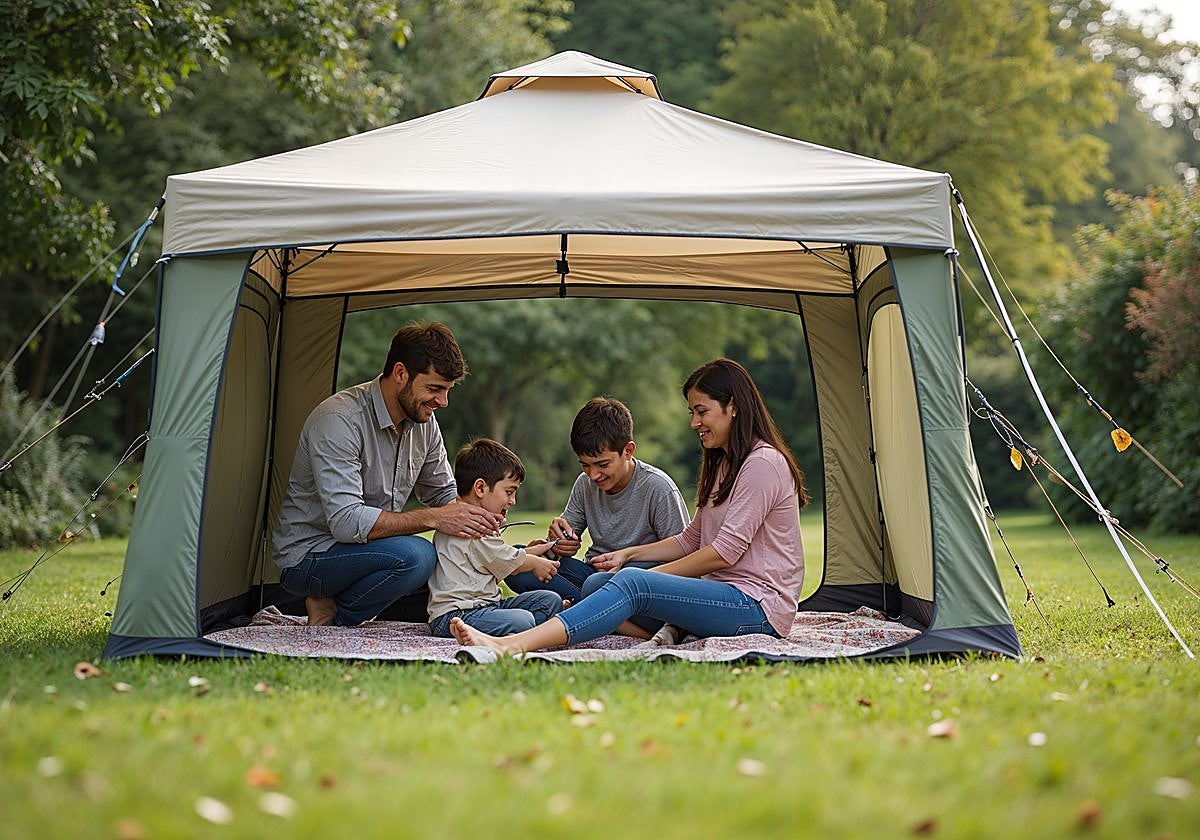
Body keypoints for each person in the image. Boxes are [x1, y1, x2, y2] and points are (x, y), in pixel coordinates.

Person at [450, 357, 809, 654]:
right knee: (612, 581)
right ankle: (584, 616)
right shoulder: (724, 464)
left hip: (758, 607)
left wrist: (641, 577)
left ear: (733, 406)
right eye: (692, 412)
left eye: (701, 411)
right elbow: (691, 538)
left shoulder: (762, 463)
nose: (694, 422)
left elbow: (723, 554)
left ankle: (512, 645)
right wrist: (629, 557)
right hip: (724, 596)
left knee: (628, 584)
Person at [273, 322, 503, 627]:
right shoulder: (338, 420)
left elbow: (444, 494)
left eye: (447, 391)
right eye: (434, 389)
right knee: (418, 556)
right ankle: (334, 615)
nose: (443, 402)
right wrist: (435, 518)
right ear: (400, 373)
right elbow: (345, 522)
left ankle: (335, 603)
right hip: (310, 555)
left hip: (372, 552)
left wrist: (482, 523)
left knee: (444, 566)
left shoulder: (425, 423)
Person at [505, 396, 691, 603]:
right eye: (585, 465)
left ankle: (589, 607)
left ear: (628, 451)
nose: (593, 475)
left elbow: (683, 557)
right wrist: (556, 541)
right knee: (518, 560)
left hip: (640, 582)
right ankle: (596, 607)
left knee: (609, 582)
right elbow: (562, 546)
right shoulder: (585, 483)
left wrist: (630, 560)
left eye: (602, 464)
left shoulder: (658, 487)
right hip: (591, 576)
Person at [427, 439, 564, 637]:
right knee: (523, 619)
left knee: (549, 600)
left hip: (486, 606)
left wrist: (535, 551)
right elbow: (509, 562)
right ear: (481, 488)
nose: (512, 501)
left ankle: (516, 633)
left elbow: (497, 555)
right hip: (456, 614)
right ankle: (522, 633)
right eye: (509, 492)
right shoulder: (468, 524)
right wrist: (534, 562)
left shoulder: (475, 519)